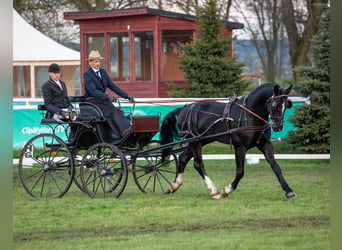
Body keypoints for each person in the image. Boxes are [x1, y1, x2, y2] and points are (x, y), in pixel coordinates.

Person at [83, 50, 134, 139]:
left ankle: (127, 129)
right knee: (111, 111)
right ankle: (122, 132)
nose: (98, 63)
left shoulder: (103, 72)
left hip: (103, 100)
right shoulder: (87, 75)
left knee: (117, 110)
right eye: (95, 61)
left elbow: (112, 86)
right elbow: (93, 91)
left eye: (99, 61)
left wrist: (126, 95)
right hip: (93, 101)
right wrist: (106, 96)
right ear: (90, 62)